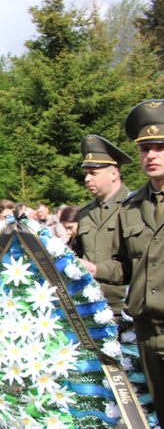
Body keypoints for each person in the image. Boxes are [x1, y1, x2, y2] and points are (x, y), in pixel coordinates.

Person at [83, 100, 164, 429]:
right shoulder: (134, 209)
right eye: (146, 148)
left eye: (161, 146)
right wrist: (90, 269)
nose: (152, 155)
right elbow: (120, 270)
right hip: (147, 332)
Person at [70, 135, 132, 318]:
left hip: (126, 308)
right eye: (86, 173)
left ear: (114, 173)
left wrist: (97, 269)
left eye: (93, 173)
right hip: (90, 306)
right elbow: (76, 254)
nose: (87, 179)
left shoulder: (135, 208)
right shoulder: (85, 212)